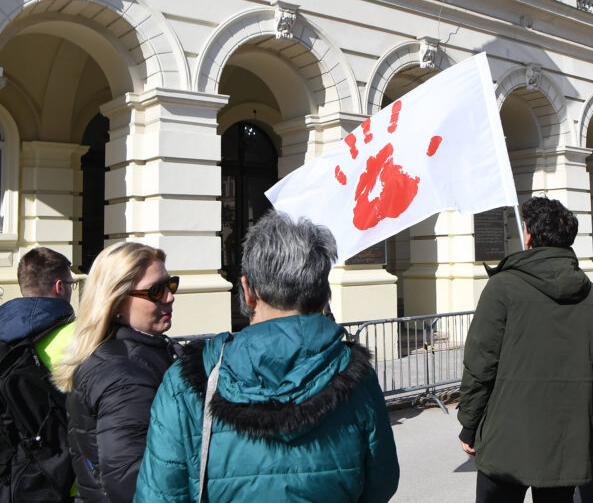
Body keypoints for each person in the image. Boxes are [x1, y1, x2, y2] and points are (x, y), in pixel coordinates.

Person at [134, 211, 399, 502]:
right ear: (323, 295)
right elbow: (380, 482)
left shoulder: (187, 380)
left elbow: (159, 494)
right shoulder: (354, 373)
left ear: (248, 291)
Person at [454, 196, 593, 503]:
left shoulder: (503, 287)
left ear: (528, 235)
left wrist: (469, 425)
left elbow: (480, 364)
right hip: (567, 437)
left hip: (507, 438)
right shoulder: (589, 291)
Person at [53, 242, 179, 502]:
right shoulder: (124, 375)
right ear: (117, 302)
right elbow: (130, 482)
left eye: (171, 284)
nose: (169, 296)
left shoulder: (142, 353)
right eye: (156, 291)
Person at [0, 247, 77, 498]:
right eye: (71, 283)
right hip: (62, 484)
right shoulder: (80, 340)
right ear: (60, 286)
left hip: (2, 485)